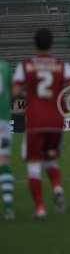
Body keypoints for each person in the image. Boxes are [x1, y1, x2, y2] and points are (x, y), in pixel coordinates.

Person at [13, 28, 70, 219]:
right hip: (56, 120)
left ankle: (40, 208)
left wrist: (29, 94)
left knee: (33, 164)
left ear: (34, 43)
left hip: (35, 121)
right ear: (51, 44)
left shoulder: (26, 65)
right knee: (50, 158)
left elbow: (15, 91)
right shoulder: (62, 65)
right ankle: (57, 188)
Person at [0, 60, 15, 220]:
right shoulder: (4, 67)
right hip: (2, 121)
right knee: (3, 161)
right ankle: (9, 206)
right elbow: (12, 92)